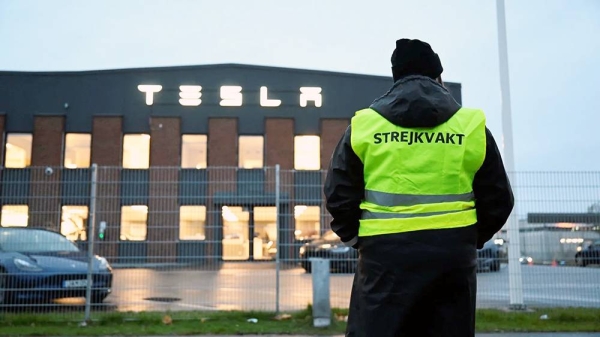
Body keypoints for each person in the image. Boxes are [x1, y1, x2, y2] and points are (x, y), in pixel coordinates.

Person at [323, 38, 514, 337]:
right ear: (438, 77)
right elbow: (499, 198)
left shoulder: (365, 125)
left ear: (396, 77)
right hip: (451, 257)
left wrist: (359, 239)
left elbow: (338, 194)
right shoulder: (470, 125)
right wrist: (468, 238)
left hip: (384, 258)